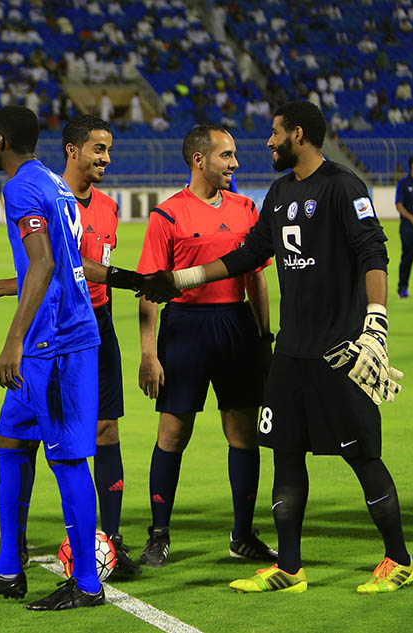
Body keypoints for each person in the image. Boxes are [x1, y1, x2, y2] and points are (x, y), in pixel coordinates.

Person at [162, 101, 413, 594]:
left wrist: (376, 324)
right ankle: (290, 567)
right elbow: (249, 255)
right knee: (284, 452)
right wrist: (183, 278)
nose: (269, 142)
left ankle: (399, 560)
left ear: (297, 134)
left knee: (362, 454)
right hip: (291, 353)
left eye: (275, 134)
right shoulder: (278, 193)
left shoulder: (344, 186)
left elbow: (373, 251)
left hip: (340, 351)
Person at [0, 106, 127, 610]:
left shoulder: (22, 188)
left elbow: (46, 263)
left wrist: (13, 342)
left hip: (58, 344)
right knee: (8, 438)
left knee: (69, 458)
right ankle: (9, 568)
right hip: (51, 337)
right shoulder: (51, 182)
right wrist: (2, 288)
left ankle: (87, 584)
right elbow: (58, 266)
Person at [135, 124, 277, 569]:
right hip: (185, 328)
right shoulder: (168, 215)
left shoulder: (247, 209)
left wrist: (264, 337)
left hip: (236, 325)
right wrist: (148, 353)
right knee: (174, 433)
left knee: (243, 432)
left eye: (234, 156)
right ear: (200, 160)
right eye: (226, 156)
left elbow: (256, 276)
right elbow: (149, 289)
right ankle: (159, 534)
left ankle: (243, 534)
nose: (234, 164)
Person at [59, 114, 140, 576]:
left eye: (108, 150)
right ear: (73, 150)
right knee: (47, 436)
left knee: (107, 431)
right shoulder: (51, 198)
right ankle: (24, 535)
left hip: (101, 322)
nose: (106, 158)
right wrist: (135, 280)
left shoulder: (108, 207)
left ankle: (109, 538)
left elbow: (101, 263)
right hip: (61, 326)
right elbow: (76, 264)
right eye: (97, 149)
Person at [394, 154, 413, 298]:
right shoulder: (404, 183)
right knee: (407, 259)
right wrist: (412, 219)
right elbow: (399, 205)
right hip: (409, 229)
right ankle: (402, 288)